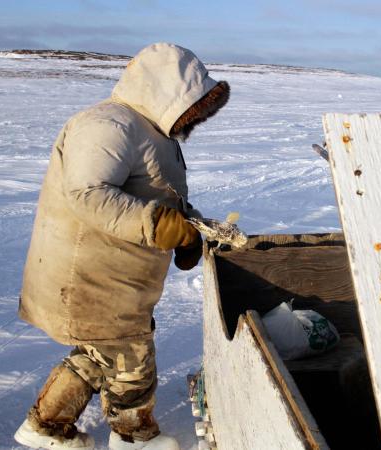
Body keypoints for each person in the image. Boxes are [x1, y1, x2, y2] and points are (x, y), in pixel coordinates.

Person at [13, 43, 229, 450]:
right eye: (193, 105)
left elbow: (158, 193)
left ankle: (46, 425)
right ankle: (134, 437)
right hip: (90, 275)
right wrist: (161, 225)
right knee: (132, 358)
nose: (196, 117)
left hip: (115, 277)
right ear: (166, 91)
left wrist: (188, 227)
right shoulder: (109, 124)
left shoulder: (148, 130)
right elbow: (88, 194)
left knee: (99, 351)